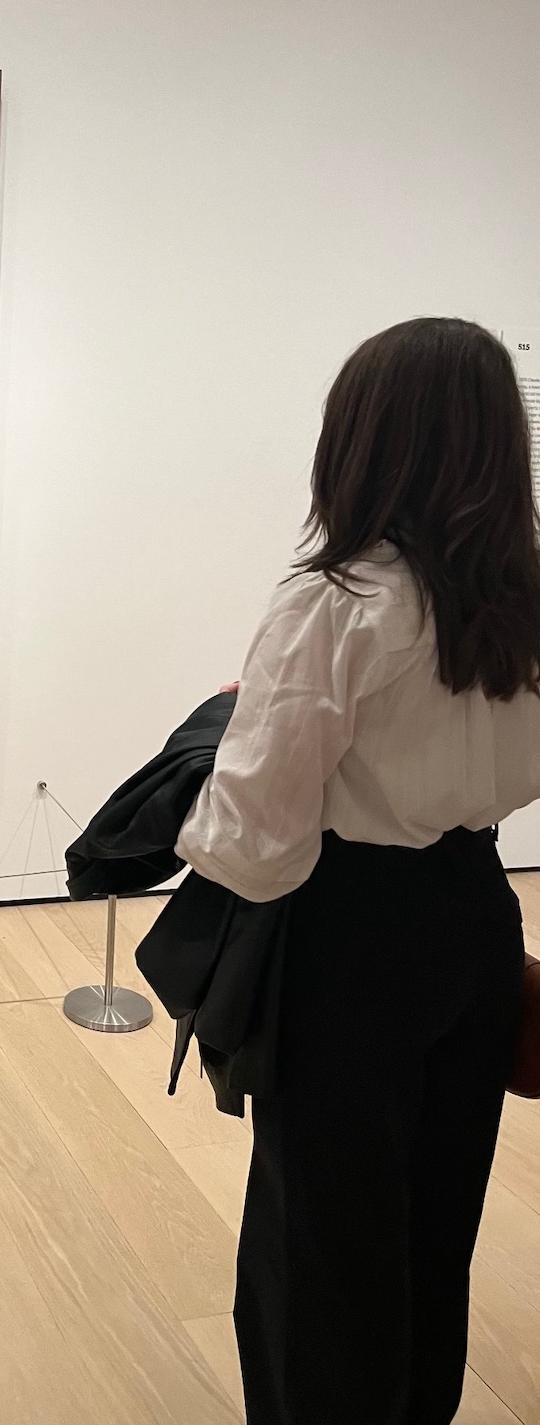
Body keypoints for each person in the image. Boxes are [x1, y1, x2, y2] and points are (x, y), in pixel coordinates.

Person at [174, 317, 536, 1425]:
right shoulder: (521, 604)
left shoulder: (337, 603)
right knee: (437, 1222)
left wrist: (203, 759)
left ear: (363, 439)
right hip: (477, 918)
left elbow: (253, 841)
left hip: (345, 943)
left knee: (322, 1249)